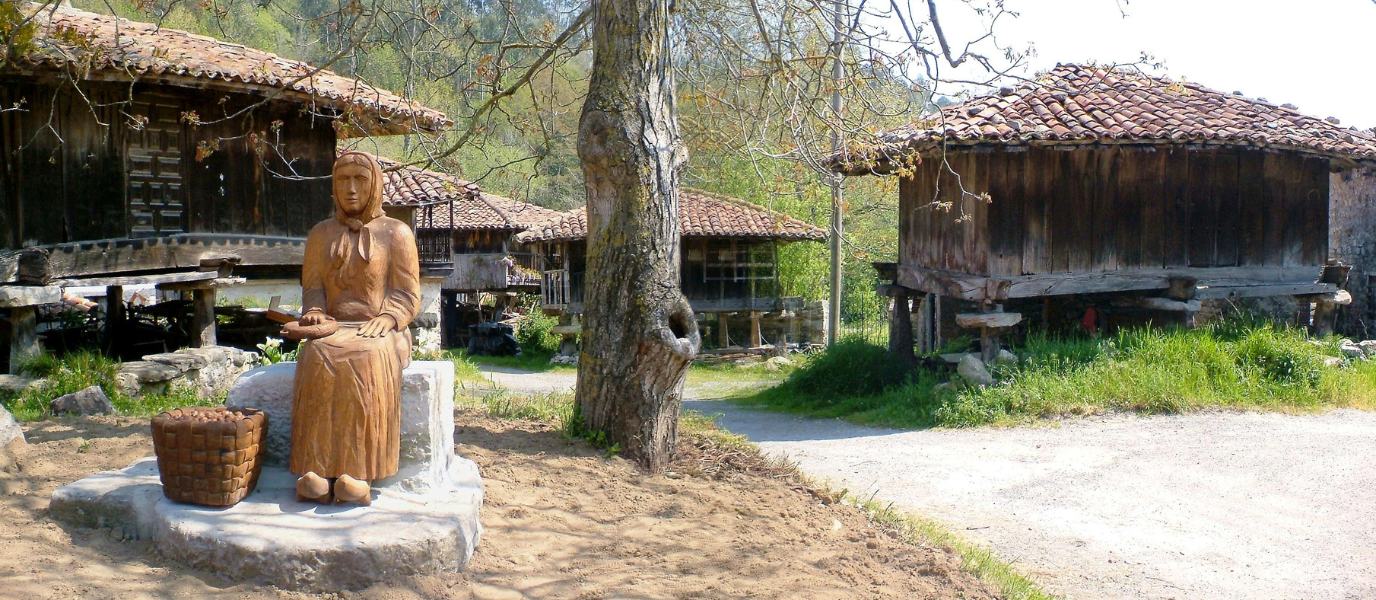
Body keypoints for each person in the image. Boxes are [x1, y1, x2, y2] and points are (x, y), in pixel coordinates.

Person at [290, 152, 421, 505]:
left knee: (366, 357)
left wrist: (390, 316)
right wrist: (315, 311)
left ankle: (360, 470)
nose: (350, 189)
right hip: (333, 328)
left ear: (374, 184)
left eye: (359, 180)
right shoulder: (320, 234)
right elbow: (313, 287)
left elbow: (407, 293)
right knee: (317, 354)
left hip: (381, 329)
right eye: (342, 180)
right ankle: (315, 467)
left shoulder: (396, 233)